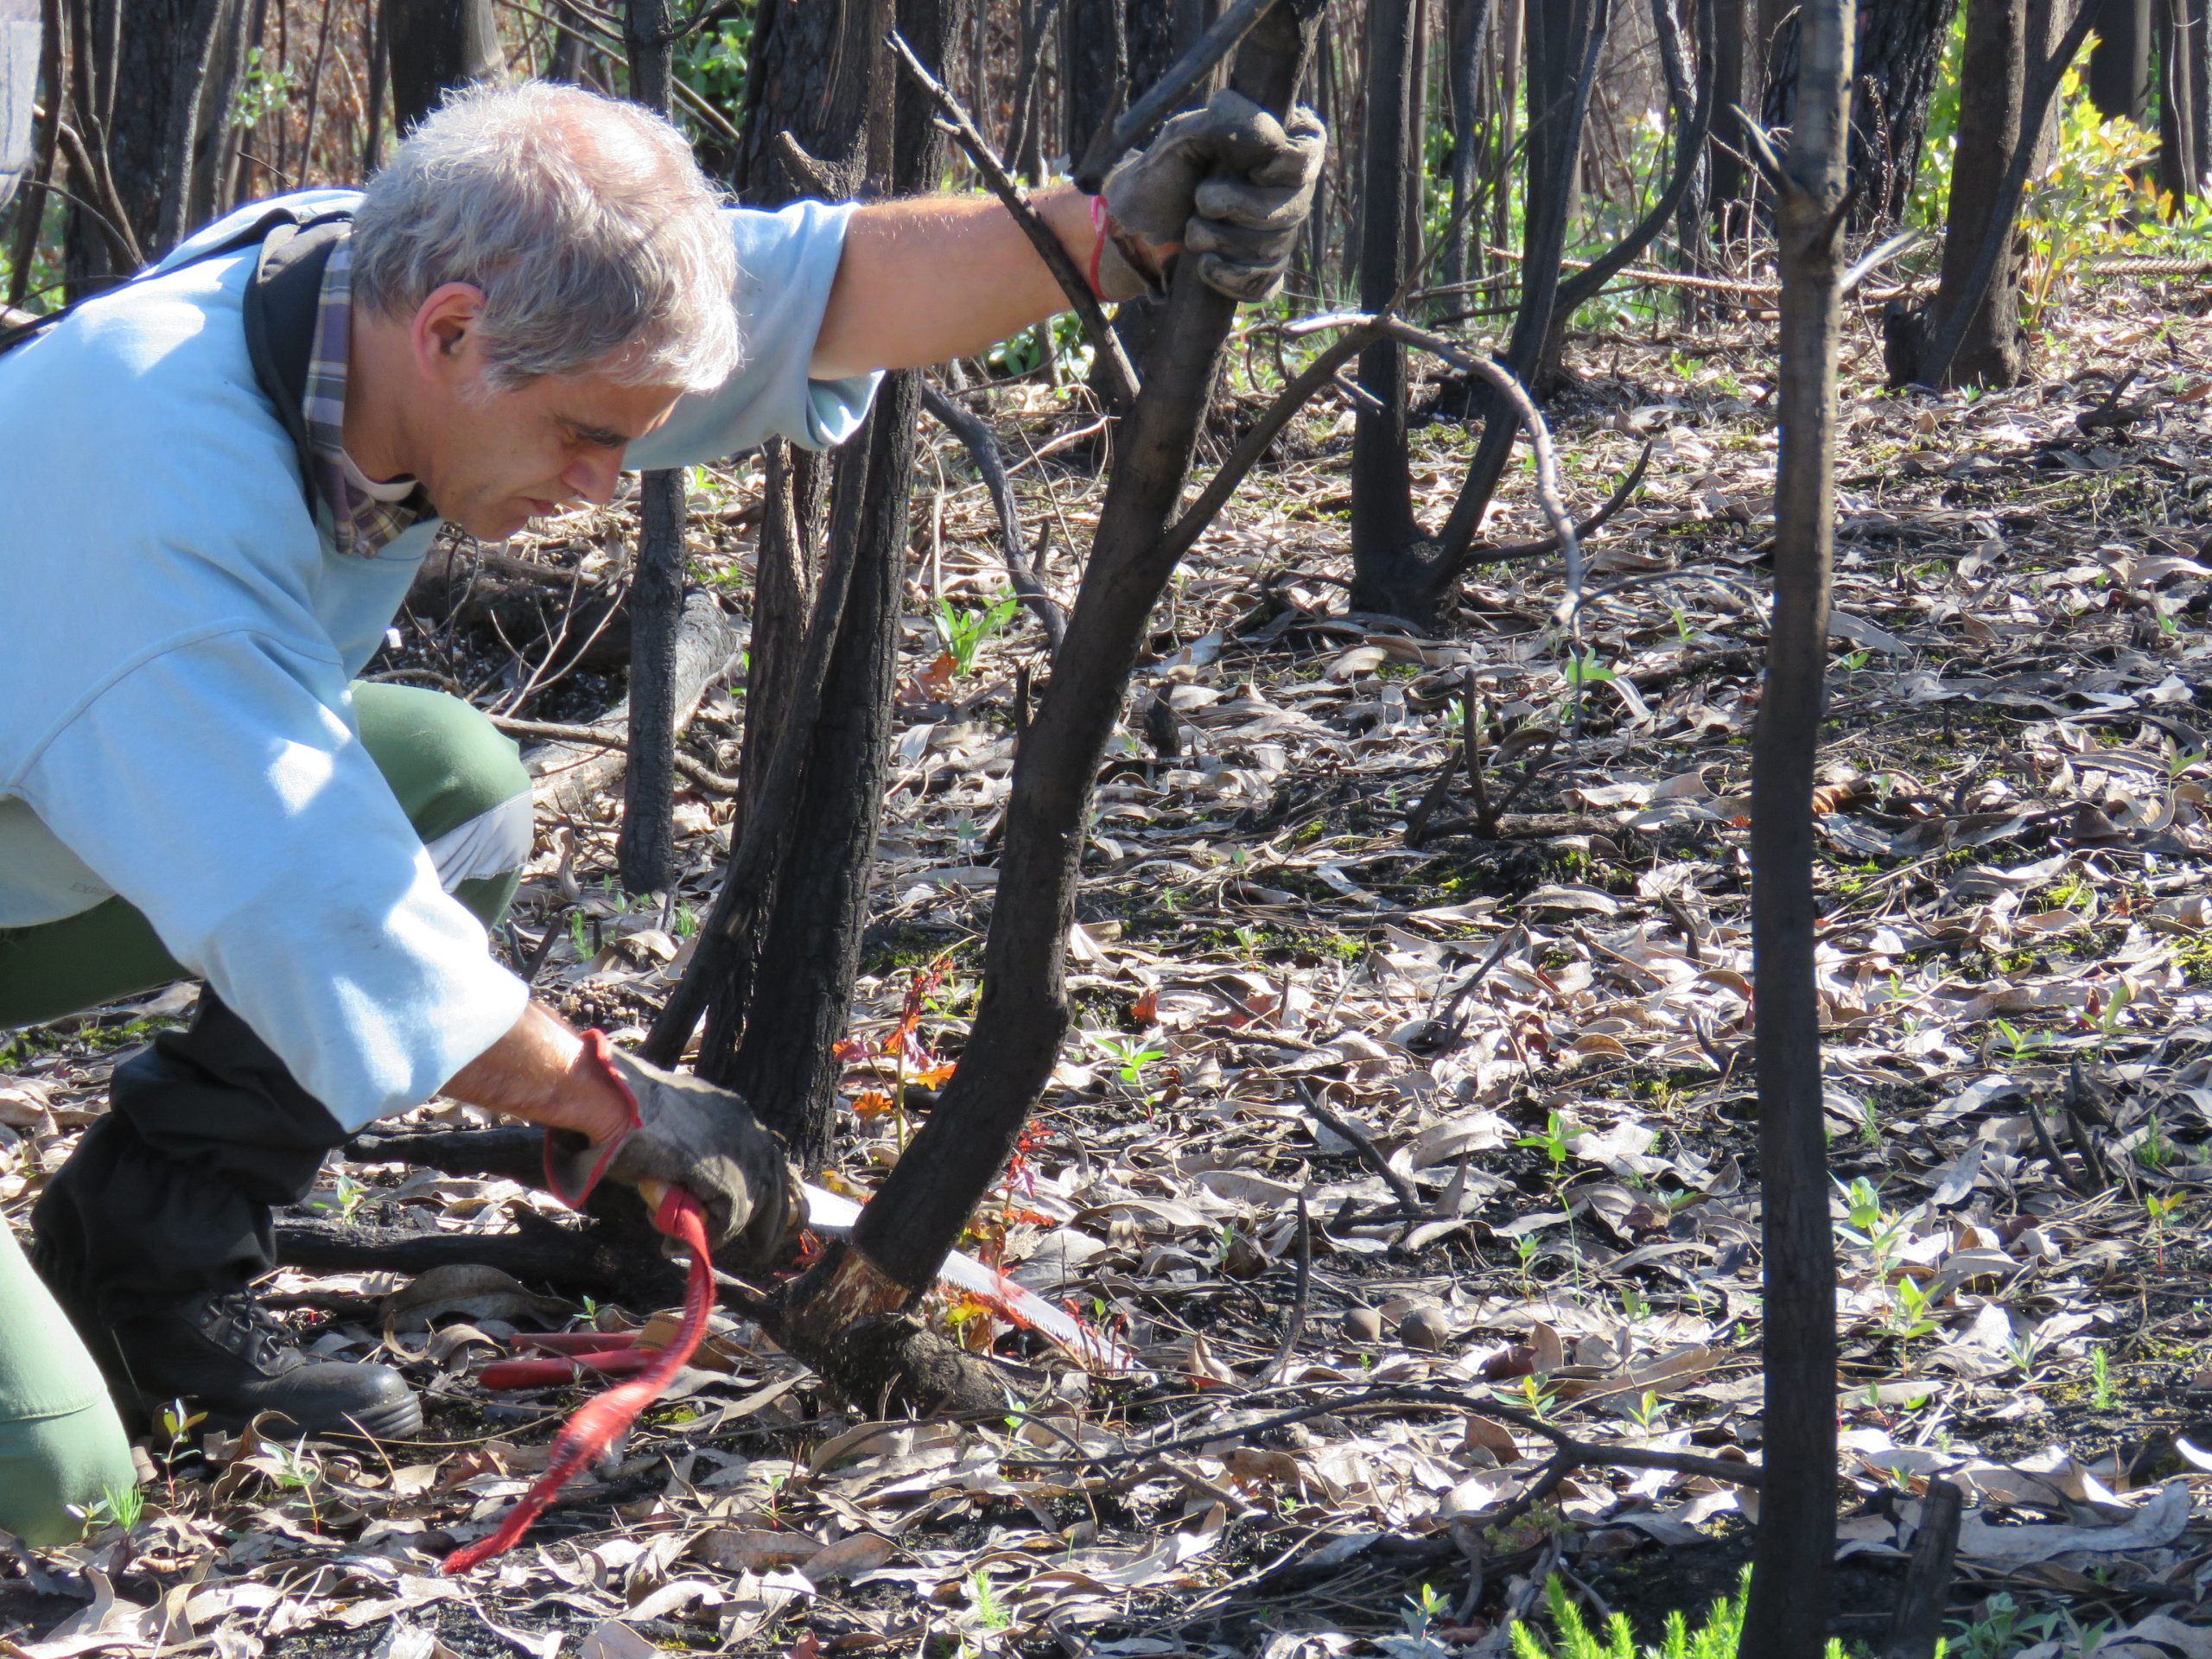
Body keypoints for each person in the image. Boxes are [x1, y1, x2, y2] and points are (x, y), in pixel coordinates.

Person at [0, 79, 1323, 1544]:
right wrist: (627, 1110)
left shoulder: (384, 293)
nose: (605, 480)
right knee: (51, 1490)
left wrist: (1102, 240)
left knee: (449, 785)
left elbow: (827, 288)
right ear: (445, 334)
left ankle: (141, 1266)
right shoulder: (151, 489)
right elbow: (320, 913)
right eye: (582, 434)